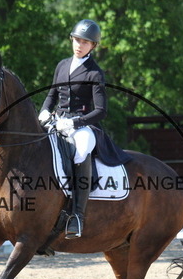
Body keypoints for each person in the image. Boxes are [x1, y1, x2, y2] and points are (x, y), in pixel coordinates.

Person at [38, 19, 130, 239]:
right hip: (57, 120)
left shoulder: (94, 73)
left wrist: (74, 122)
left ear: (93, 46)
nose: (79, 45)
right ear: (72, 39)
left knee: (81, 150)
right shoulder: (62, 65)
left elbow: (101, 111)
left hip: (83, 126)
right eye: (77, 40)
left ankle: (77, 215)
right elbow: (52, 94)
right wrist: (44, 111)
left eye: (85, 42)